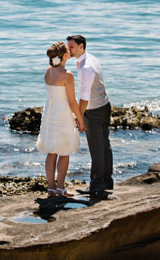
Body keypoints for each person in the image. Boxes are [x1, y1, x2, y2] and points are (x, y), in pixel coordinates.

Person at [36, 41, 86, 197]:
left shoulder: (48, 71)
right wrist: (80, 120)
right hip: (62, 114)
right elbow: (72, 102)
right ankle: (60, 188)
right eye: (68, 51)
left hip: (49, 113)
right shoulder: (67, 75)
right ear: (65, 56)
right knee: (64, 152)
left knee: (51, 152)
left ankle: (51, 187)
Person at [67, 34, 113, 199]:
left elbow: (84, 98)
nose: (68, 49)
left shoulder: (86, 67)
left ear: (81, 47)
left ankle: (96, 185)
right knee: (104, 144)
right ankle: (107, 181)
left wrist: (79, 117)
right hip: (104, 105)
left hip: (94, 110)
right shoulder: (91, 59)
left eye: (71, 47)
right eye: (68, 46)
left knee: (97, 148)